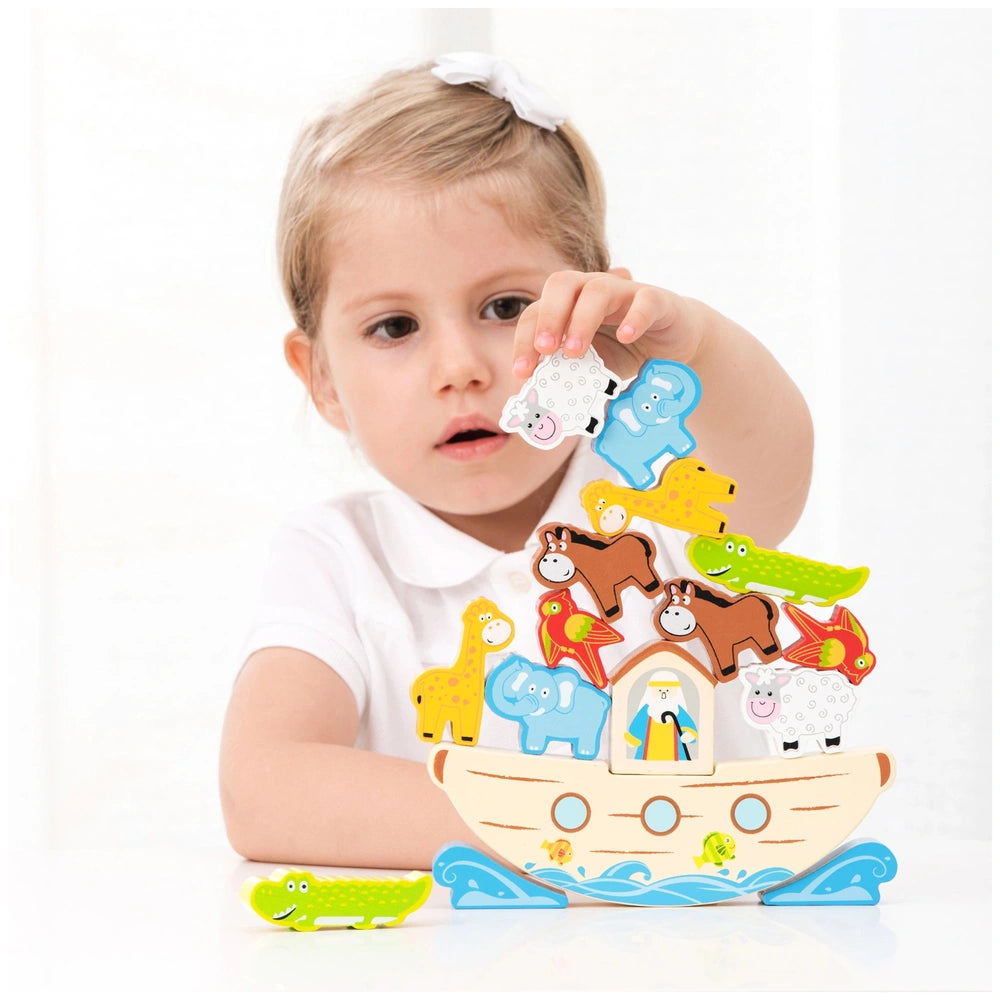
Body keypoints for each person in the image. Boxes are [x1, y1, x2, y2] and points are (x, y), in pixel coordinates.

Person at [219, 53, 813, 870]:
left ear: (597, 318)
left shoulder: (655, 500)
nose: (459, 366)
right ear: (321, 377)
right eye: (395, 327)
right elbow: (264, 789)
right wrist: (566, 829)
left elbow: (773, 469)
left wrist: (693, 345)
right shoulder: (338, 560)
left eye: (504, 308)